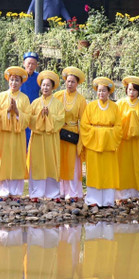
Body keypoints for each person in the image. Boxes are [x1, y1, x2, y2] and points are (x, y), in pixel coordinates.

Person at [80, 77, 122, 207]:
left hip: (108, 145)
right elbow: (84, 125)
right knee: (95, 171)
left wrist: (106, 134)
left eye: (104, 91)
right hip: (94, 144)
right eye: (99, 91)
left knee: (108, 172)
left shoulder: (115, 107)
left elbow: (119, 127)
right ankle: (93, 199)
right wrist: (98, 133)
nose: (101, 93)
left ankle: (108, 200)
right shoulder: (91, 106)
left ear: (109, 92)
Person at [0, 66, 32, 198]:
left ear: (21, 83)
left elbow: (28, 118)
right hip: (3, 134)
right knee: (2, 161)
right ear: (8, 81)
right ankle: (2, 191)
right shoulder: (0, 96)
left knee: (16, 160)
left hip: (17, 135)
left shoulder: (24, 98)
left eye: (17, 80)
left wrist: (16, 112)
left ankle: (16, 192)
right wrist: (7, 111)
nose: (14, 83)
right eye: (12, 80)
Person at [27, 70, 64, 200]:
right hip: (37, 137)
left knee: (51, 163)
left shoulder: (58, 104)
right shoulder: (35, 103)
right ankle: (36, 193)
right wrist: (40, 116)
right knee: (37, 164)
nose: (45, 88)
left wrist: (49, 116)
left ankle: (53, 193)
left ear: (52, 87)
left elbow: (60, 120)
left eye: (48, 85)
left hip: (51, 137)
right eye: (43, 85)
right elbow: (30, 120)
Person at [116, 75, 139, 202]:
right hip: (123, 141)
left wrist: (135, 122)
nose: (132, 92)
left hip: (137, 141)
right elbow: (115, 121)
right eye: (130, 89)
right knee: (123, 166)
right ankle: (122, 196)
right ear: (126, 90)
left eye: (135, 90)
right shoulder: (120, 103)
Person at [55, 66, 88, 200]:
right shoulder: (57, 95)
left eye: (73, 82)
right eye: (68, 81)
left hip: (73, 133)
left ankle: (73, 192)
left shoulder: (81, 100)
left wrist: (82, 137)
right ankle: (60, 191)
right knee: (60, 161)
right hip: (58, 132)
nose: (70, 84)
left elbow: (84, 120)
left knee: (73, 163)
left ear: (77, 83)